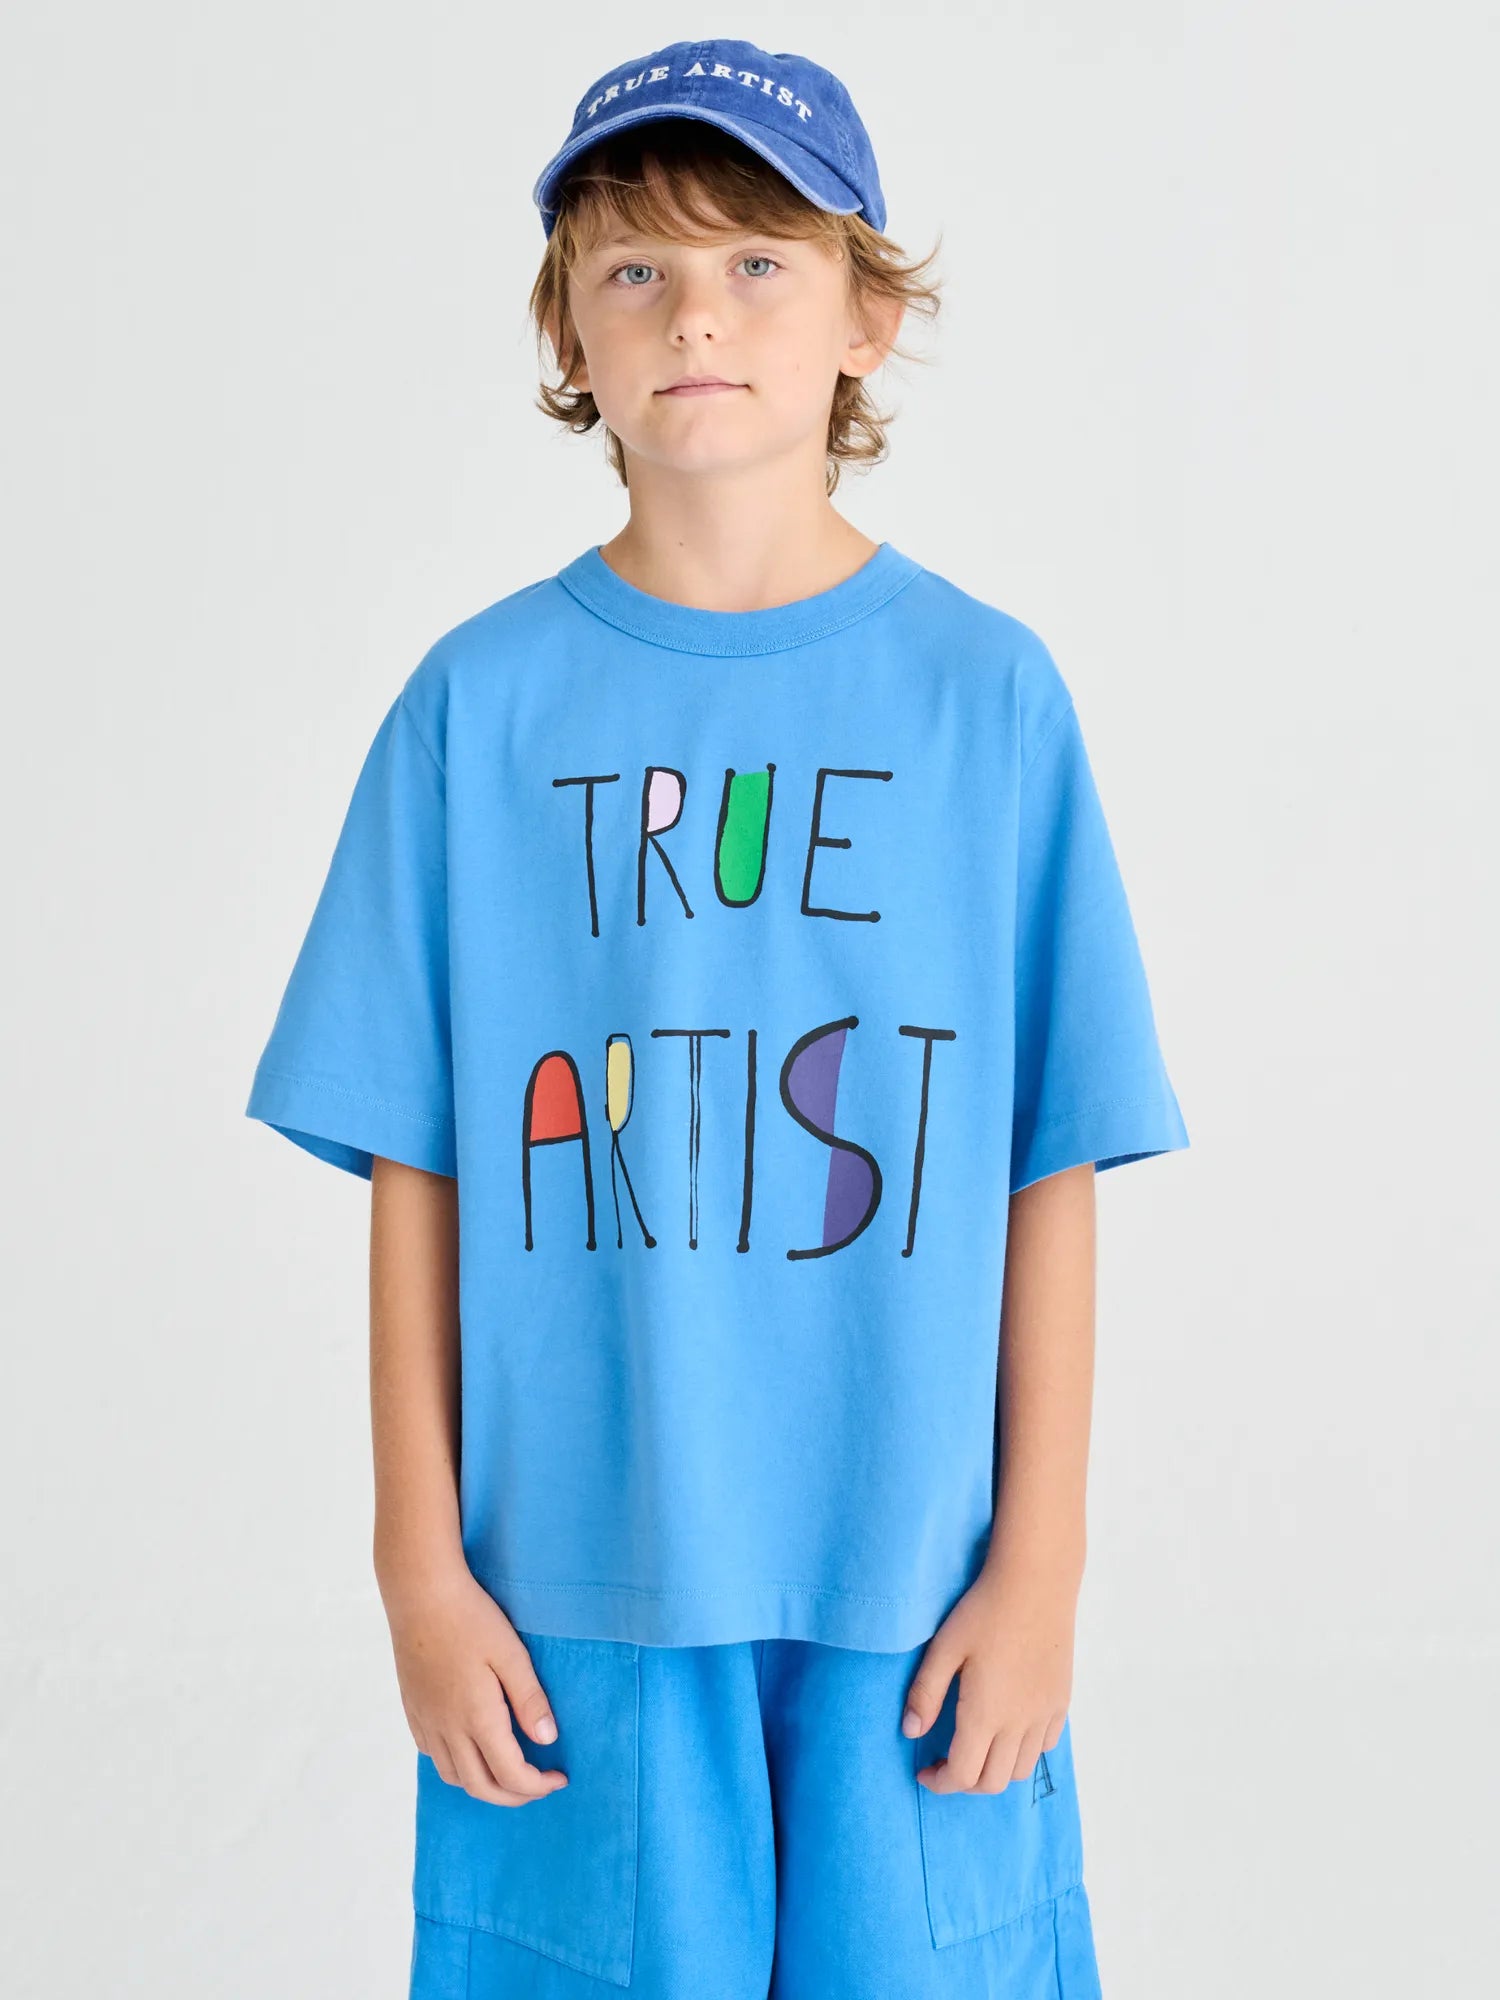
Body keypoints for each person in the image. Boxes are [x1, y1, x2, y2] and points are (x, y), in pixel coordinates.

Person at [245, 36, 1189, 2000]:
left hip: (914, 1589)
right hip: (573, 1593)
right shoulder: (475, 710)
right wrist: (417, 1565)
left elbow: (1050, 1160)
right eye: (637, 270)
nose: (698, 314)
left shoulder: (988, 700)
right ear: (567, 334)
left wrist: (1043, 1565)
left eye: (759, 261)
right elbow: (418, 1165)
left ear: (867, 317)